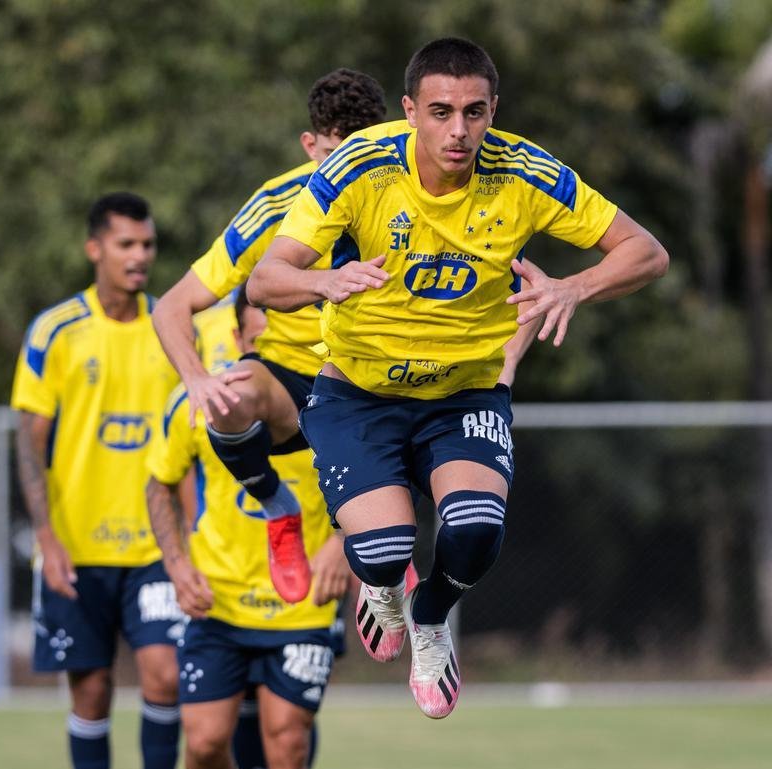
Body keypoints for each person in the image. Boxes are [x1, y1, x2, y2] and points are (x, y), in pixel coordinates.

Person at [246, 37, 669, 719]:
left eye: (475, 113)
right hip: (360, 394)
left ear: (493, 110)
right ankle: (381, 588)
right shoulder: (359, 166)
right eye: (440, 112)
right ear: (409, 110)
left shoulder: (525, 172)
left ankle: (432, 615)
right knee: (382, 551)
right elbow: (266, 280)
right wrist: (324, 278)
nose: (458, 131)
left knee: (472, 531)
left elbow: (646, 252)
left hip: (464, 392)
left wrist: (574, 287)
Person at [151, 68, 387, 605]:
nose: (348, 174)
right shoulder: (275, 204)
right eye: (335, 156)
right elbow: (172, 306)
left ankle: (392, 556)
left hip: (373, 381)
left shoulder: (411, 195)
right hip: (292, 385)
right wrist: (195, 380)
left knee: (435, 407)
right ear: (310, 147)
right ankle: (276, 506)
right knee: (228, 395)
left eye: (363, 154)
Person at [11, 192, 184, 769]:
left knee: (164, 675)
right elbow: (30, 444)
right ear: (95, 249)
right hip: (76, 548)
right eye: (126, 245)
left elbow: (190, 438)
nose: (140, 257)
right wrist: (47, 538)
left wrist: (188, 544)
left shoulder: (172, 326)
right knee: (90, 691)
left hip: (154, 547)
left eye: (147, 244)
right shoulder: (55, 330)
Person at [146, 290, 349, 769]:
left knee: (287, 743)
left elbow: (394, 471)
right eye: (259, 342)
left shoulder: (340, 407)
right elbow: (159, 481)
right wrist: (175, 562)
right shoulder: (201, 402)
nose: (272, 363)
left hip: (301, 605)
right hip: (220, 602)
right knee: (206, 744)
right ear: (237, 338)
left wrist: (343, 542)